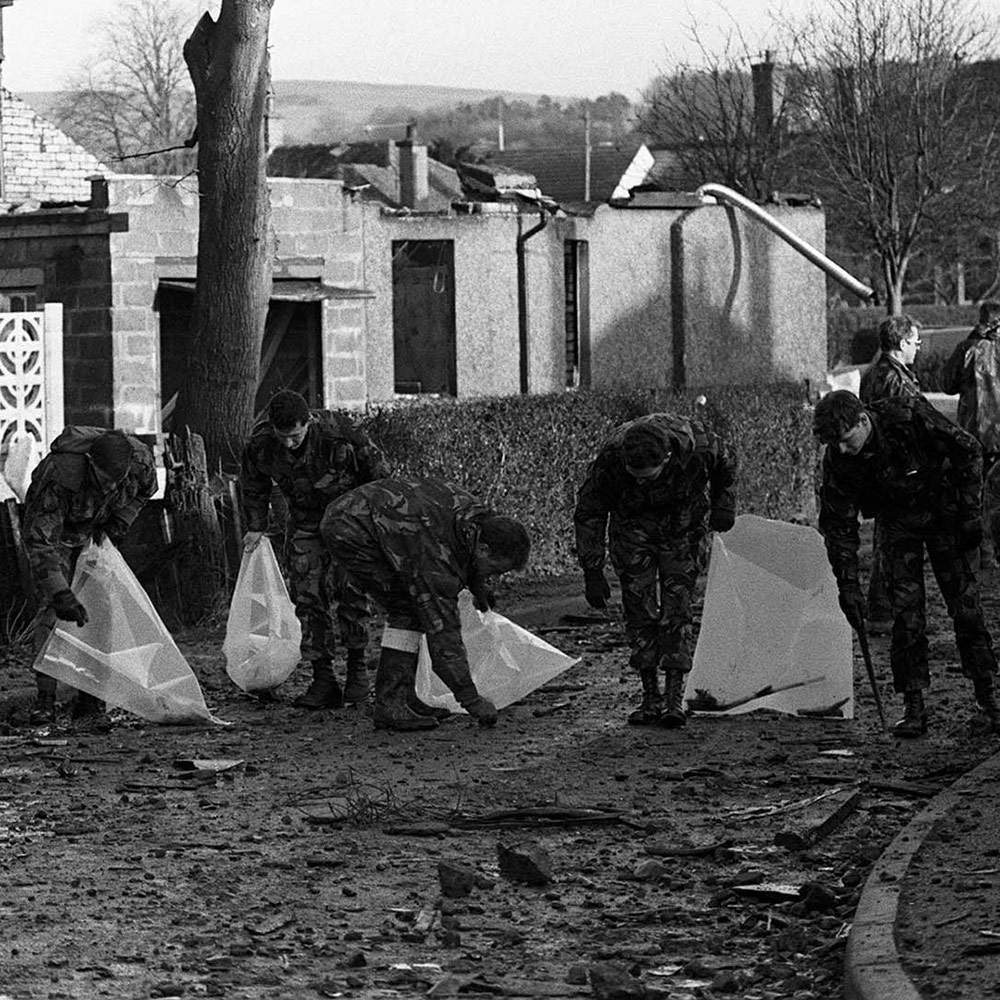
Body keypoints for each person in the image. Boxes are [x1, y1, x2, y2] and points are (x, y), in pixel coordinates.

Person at [813, 390, 999, 737]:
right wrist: (848, 584)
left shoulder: (908, 414)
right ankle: (913, 707)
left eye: (845, 439)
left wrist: (971, 514)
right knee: (906, 614)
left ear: (863, 420)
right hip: (896, 522)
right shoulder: (838, 460)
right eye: (833, 443)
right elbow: (839, 525)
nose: (841, 449)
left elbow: (969, 450)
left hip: (943, 509)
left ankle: (989, 700)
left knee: (965, 607)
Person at [320, 477, 530, 732]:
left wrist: (478, 586)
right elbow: (444, 635)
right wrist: (471, 700)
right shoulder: (435, 556)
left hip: (375, 517)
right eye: (496, 569)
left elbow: (464, 554)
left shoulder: (474, 516)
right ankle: (391, 704)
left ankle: (404, 698)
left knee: (411, 605)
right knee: (408, 608)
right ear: (484, 548)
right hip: (349, 528)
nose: (494, 576)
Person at [574, 412, 737, 728]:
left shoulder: (701, 444)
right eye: (635, 475)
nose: (641, 481)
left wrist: (724, 504)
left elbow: (726, 468)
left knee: (677, 610)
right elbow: (590, 511)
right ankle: (650, 697)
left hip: (683, 528)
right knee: (638, 609)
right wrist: (592, 569)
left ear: (668, 458)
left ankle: (675, 698)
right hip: (632, 530)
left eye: (648, 476)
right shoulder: (611, 458)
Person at [239, 389, 390, 709]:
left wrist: (379, 527)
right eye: (283, 436)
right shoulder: (263, 443)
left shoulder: (341, 434)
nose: (288, 443)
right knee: (308, 597)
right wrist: (256, 525)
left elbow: (380, 479)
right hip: (307, 524)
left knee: (353, 593)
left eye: (295, 436)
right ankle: (323, 679)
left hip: (352, 524)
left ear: (308, 422)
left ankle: (357, 672)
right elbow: (254, 483)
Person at [20, 426, 157, 723]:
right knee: (52, 611)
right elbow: (39, 540)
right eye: (104, 480)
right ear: (91, 464)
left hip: (95, 536)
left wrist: (120, 521)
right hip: (57, 539)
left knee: (102, 610)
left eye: (116, 482)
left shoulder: (140, 462)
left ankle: (91, 698)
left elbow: (147, 490)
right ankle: (45, 698)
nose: (109, 488)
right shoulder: (58, 475)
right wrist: (60, 591)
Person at [859, 315, 924, 629]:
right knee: (897, 544)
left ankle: (881, 611)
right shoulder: (897, 380)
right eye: (914, 341)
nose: (918, 346)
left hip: (882, 471)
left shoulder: (873, 373)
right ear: (901, 344)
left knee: (886, 541)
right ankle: (887, 612)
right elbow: (907, 428)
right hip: (899, 473)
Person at [943, 300, 1000, 560]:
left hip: (972, 434)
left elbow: (946, 383)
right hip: (996, 434)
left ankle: (981, 550)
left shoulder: (966, 349)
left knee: (973, 496)